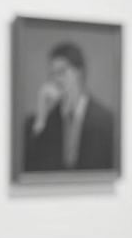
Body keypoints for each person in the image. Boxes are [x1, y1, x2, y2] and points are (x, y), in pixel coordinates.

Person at [23, 42, 114, 172]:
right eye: (52, 74)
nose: (56, 79)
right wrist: (41, 118)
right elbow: (30, 166)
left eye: (61, 72)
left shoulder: (106, 120)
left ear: (79, 72)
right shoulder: (46, 119)